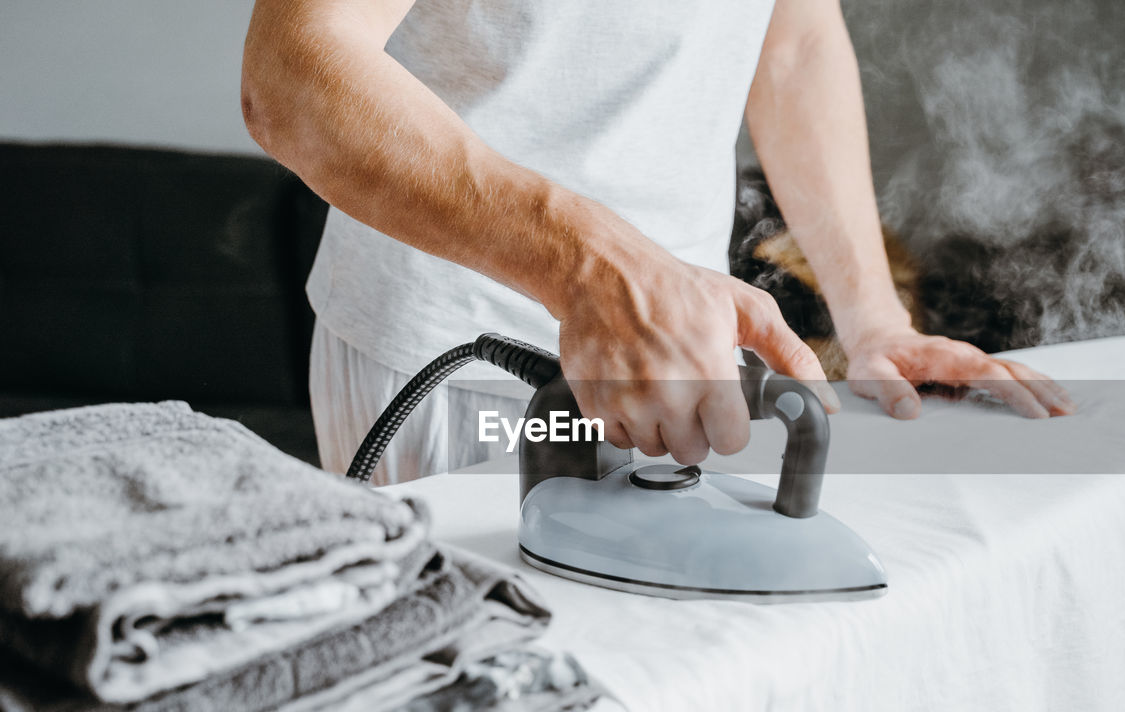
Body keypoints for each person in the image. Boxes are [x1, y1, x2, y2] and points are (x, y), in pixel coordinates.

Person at [242, 0, 1073, 484]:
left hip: (689, 354)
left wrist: (873, 319)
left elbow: (792, 40)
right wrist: (589, 265)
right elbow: (292, 71)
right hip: (467, 350)